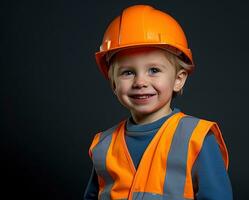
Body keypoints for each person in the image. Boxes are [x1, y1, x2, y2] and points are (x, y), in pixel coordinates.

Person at [84, 4, 233, 200]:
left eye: (154, 70)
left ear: (178, 80)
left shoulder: (196, 138)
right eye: (128, 72)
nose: (140, 82)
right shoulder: (103, 145)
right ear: (113, 83)